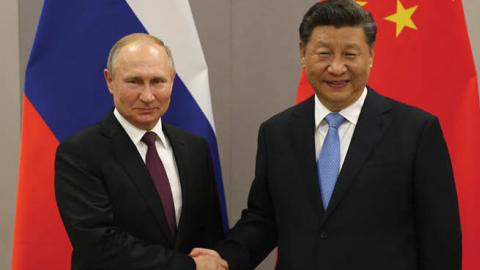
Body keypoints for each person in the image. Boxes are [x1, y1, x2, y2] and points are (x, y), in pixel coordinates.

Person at [191, 0, 461, 269]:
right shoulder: (276, 133)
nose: (336, 68)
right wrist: (224, 258)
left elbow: (440, 238)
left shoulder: (416, 131)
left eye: (350, 54)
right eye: (324, 54)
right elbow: (264, 219)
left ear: (371, 55)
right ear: (303, 53)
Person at [55, 33, 228, 270]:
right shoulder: (79, 153)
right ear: (110, 80)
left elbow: (209, 234)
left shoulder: (195, 148)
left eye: (158, 81)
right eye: (134, 81)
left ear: (173, 80)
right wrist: (190, 266)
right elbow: (100, 246)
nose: (147, 96)